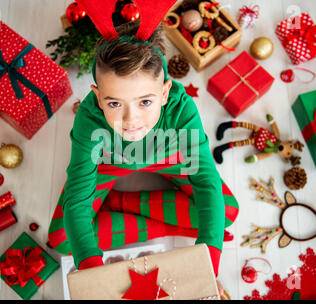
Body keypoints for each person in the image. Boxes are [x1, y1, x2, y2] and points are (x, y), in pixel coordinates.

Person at [48, 3, 238, 279]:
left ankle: (123, 204)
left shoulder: (180, 110)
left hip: (169, 160)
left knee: (227, 210)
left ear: (164, 93)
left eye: (145, 102)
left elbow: (205, 182)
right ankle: (169, 223)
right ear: (98, 96)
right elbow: (77, 198)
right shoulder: (89, 119)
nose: (130, 120)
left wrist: (208, 257)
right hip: (109, 165)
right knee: (63, 240)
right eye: (114, 104)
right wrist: (93, 272)